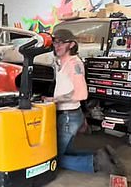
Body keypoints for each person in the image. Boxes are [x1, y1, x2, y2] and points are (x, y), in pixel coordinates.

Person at [43, 29, 116, 173]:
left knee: (53, 158)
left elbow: (81, 93)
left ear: (71, 45)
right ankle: (102, 155)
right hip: (68, 114)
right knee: (65, 152)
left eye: (61, 43)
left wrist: (54, 99)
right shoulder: (63, 62)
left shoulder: (74, 64)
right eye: (55, 42)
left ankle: (95, 163)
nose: (56, 46)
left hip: (68, 116)